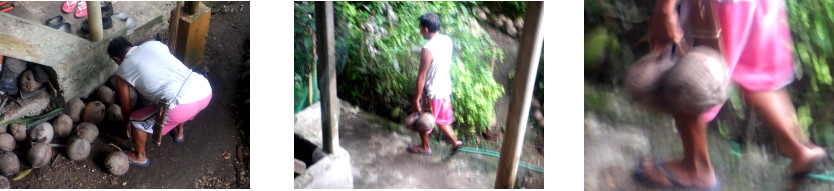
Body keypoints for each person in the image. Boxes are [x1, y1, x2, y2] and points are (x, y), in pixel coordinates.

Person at [636, 0, 829, 190]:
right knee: (757, 74)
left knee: (690, 73)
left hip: (712, 7)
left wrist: (665, 8)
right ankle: (799, 149)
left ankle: (696, 169)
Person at [107, 36, 213, 167]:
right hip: (203, 90)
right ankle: (179, 134)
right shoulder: (154, 44)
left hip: (179, 106)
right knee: (179, 98)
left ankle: (139, 156)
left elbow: (126, 107)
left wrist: (126, 124)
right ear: (131, 44)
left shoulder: (122, 71)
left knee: (136, 121)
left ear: (116, 59)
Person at [407, 13, 463, 155]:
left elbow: (421, 77)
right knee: (442, 120)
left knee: (422, 121)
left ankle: (425, 147)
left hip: (432, 93)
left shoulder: (427, 50)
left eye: (420, 28)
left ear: (426, 29)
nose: (420, 31)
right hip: (445, 89)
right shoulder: (447, 40)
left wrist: (416, 100)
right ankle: (455, 142)